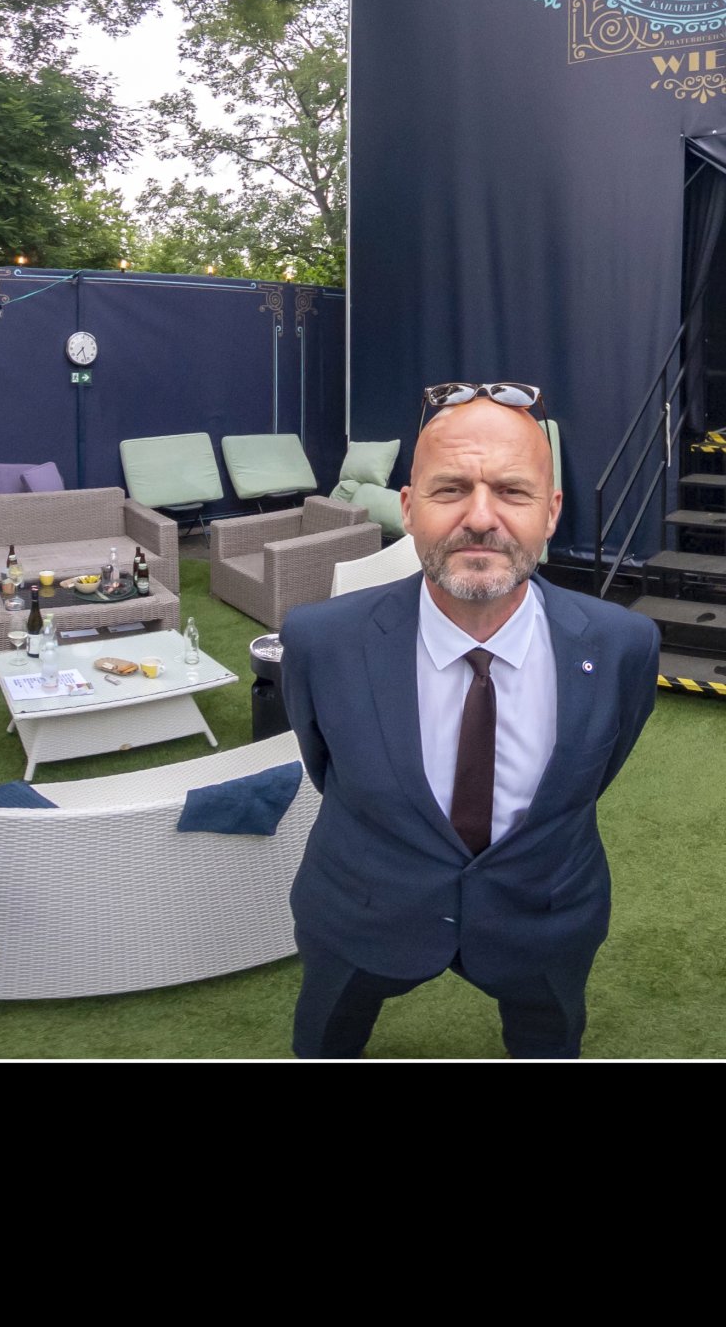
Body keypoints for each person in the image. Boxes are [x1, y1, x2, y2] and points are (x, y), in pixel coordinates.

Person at [281, 383, 657, 1058]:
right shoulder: (320, 640)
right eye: (450, 489)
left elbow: (592, 774)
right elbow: (327, 766)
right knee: (327, 1035)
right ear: (408, 508)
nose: (481, 519)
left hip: (545, 915)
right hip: (361, 910)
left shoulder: (622, 645)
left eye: (512, 492)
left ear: (551, 512)